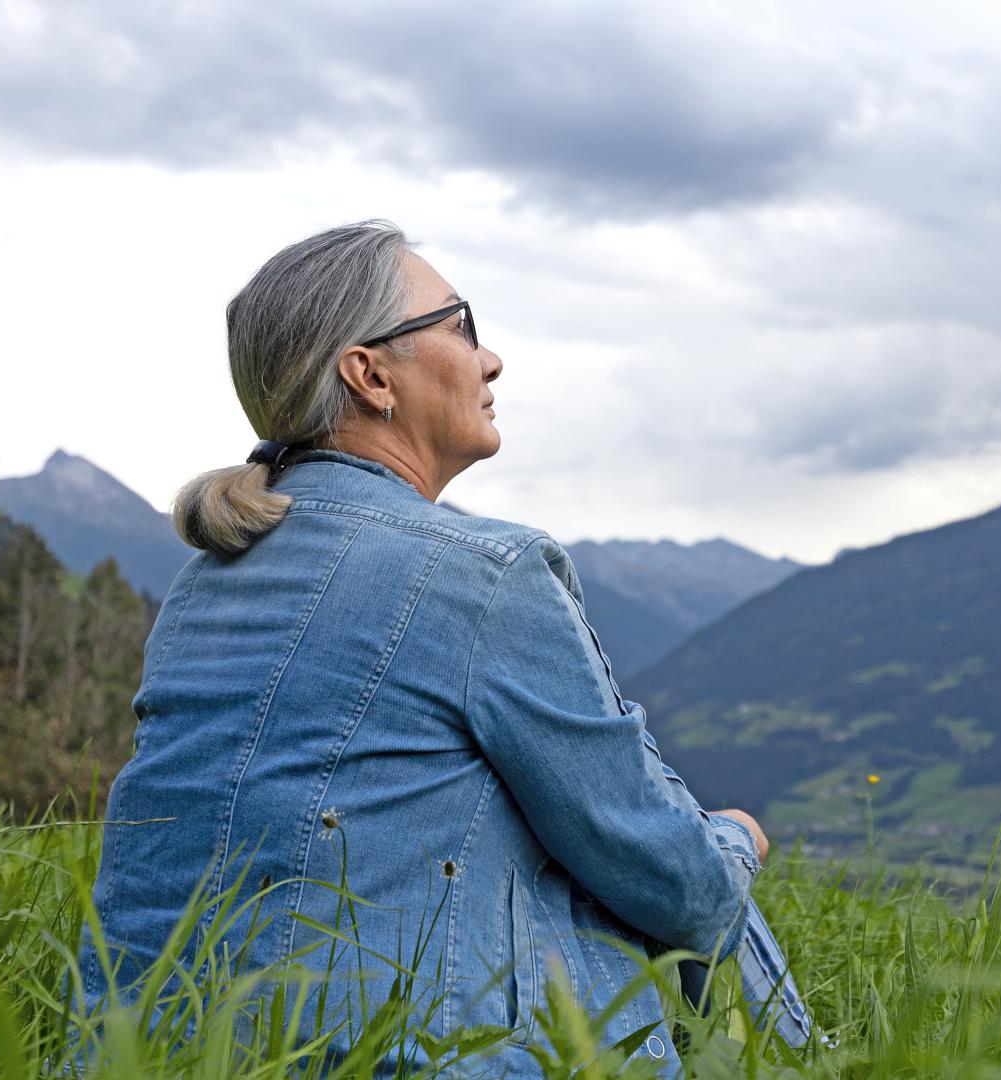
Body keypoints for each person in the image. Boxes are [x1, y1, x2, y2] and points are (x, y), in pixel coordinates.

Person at [76, 220, 812, 1076]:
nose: (489, 359)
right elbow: (673, 881)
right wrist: (733, 840)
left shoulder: (203, 586)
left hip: (150, 1051)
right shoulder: (484, 577)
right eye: (461, 326)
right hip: (388, 1058)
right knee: (678, 864)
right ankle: (823, 1059)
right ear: (370, 374)